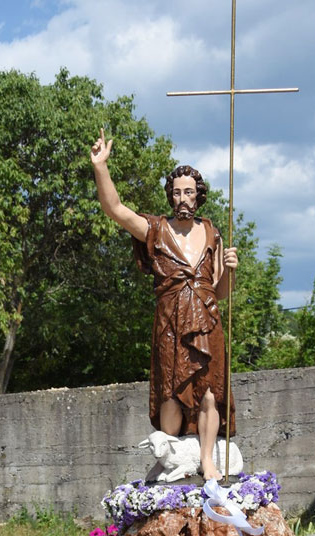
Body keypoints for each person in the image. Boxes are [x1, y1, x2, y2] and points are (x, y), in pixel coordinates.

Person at [90, 128, 238, 481]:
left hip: (206, 320)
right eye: (176, 192)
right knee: (170, 394)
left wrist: (231, 271)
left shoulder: (213, 232)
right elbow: (115, 209)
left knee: (209, 395)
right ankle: (169, 457)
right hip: (170, 321)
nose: (182, 197)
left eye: (189, 191)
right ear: (170, 197)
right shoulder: (156, 229)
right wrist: (100, 167)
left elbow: (220, 292)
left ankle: (206, 460)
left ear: (198, 195)